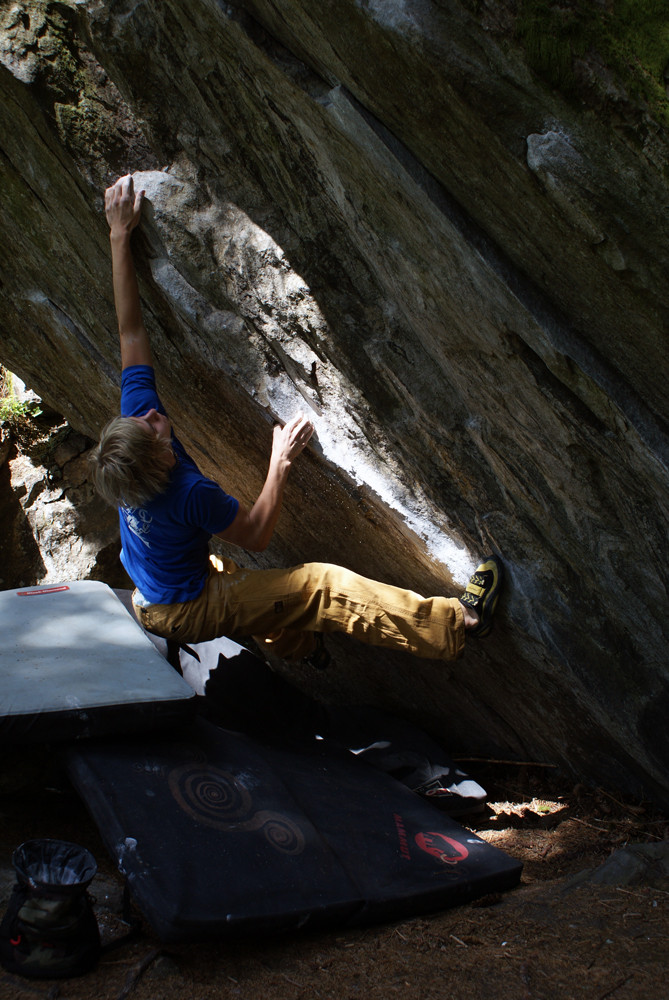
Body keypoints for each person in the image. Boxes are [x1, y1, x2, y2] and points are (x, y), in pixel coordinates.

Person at [90, 175, 503, 664]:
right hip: (186, 608)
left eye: (144, 419)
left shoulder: (131, 446)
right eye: (154, 430)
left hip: (154, 589)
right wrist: (279, 463)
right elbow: (258, 533)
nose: (155, 415)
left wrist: (119, 236)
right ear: (158, 464)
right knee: (319, 587)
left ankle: (303, 649)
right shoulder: (185, 492)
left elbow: (130, 332)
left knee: (250, 592)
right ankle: (458, 623)